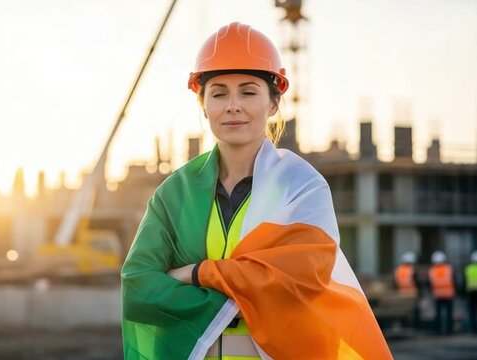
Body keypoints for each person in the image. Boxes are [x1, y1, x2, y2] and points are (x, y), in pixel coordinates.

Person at [121, 22, 391, 359]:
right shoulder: (173, 193)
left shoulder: (302, 187)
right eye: (219, 93)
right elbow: (138, 289)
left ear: (274, 102)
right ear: (203, 104)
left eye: (248, 92)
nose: (233, 105)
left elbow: (300, 282)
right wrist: (248, 297)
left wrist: (196, 274)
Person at [428, 250, 456, 335]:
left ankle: (438, 330)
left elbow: (429, 283)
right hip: (448, 294)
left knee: (438, 314)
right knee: (449, 314)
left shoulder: (432, 271)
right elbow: (454, 281)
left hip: (437, 295)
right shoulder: (449, 269)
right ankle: (449, 330)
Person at [394, 251, 421, 327]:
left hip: (401, 294)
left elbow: (395, 282)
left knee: (403, 312)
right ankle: (414, 326)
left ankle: (404, 325)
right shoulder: (412, 270)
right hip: (412, 294)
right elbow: (417, 282)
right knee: (413, 312)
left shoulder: (398, 270)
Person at [464, 250, 477, 334]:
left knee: (472, 312)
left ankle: (473, 329)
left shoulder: (468, 268)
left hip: (470, 293)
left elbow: (464, 282)